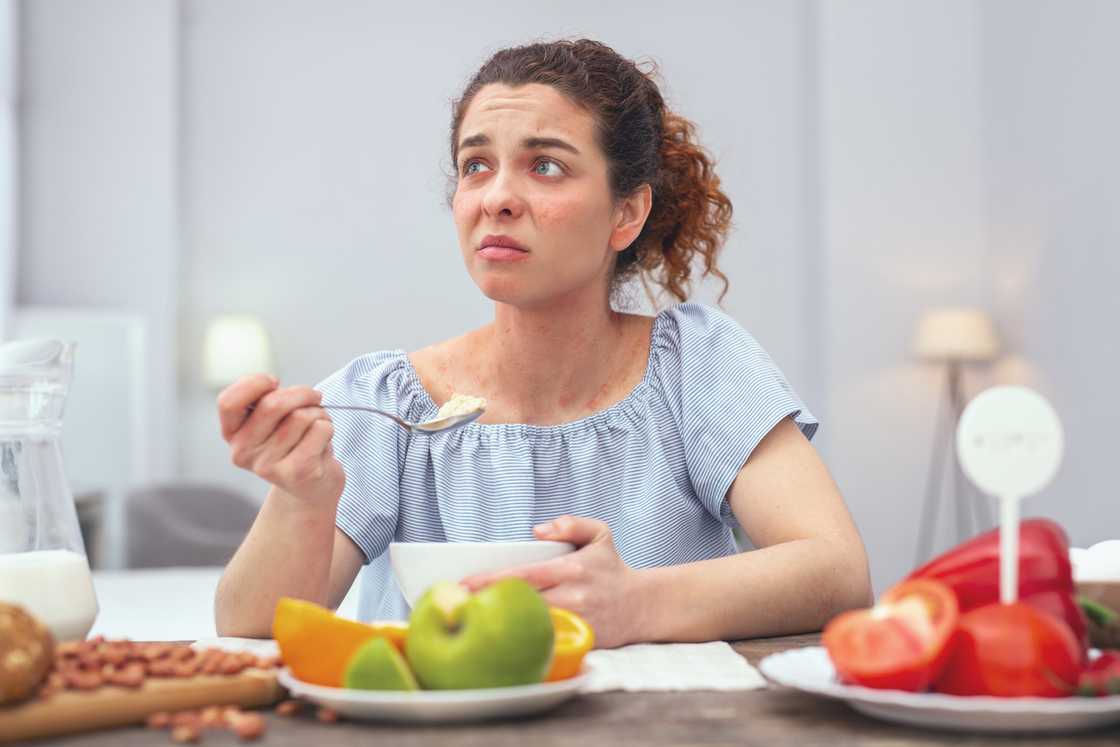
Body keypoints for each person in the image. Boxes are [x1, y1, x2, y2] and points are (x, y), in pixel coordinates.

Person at [214, 39, 871, 648]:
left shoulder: (698, 367)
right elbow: (249, 628)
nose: (497, 198)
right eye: (476, 165)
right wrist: (301, 497)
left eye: (546, 165)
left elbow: (837, 571)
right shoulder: (381, 402)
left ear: (626, 213)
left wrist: (635, 602)